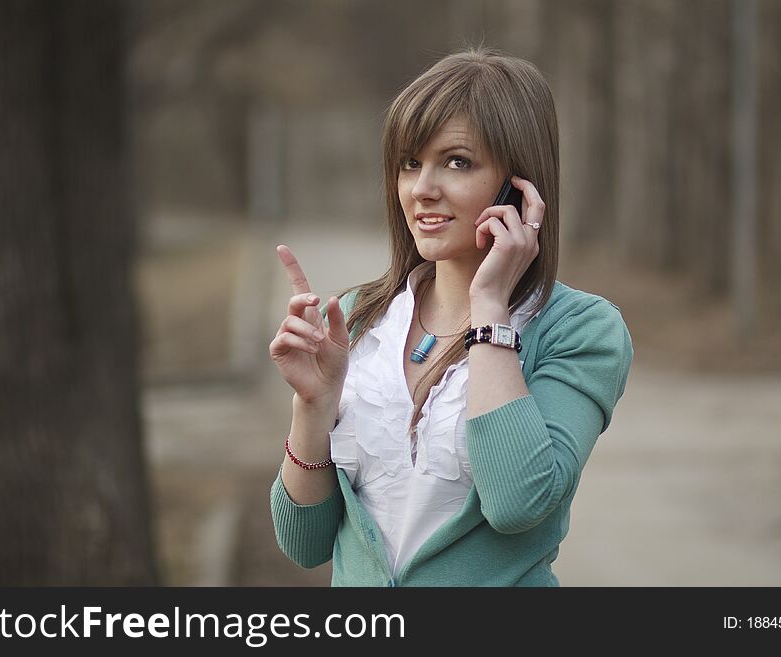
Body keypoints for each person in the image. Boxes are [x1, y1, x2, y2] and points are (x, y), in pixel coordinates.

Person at [268, 47, 633, 586]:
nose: (422, 189)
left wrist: (490, 312)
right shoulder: (356, 319)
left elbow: (518, 502)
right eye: (410, 163)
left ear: (519, 185)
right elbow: (304, 543)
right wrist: (313, 405)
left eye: (457, 162)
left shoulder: (581, 330)